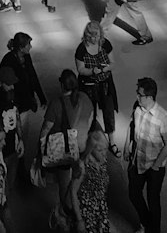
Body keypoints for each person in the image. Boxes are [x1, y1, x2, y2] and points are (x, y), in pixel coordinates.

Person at [39, 70, 94, 226]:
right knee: (76, 181)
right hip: (81, 148)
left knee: (64, 185)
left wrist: (41, 148)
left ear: (62, 85)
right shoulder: (85, 99)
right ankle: (75, 208)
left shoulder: (56, 104)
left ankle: (66, 214)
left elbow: (45, 129)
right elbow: (90, 122)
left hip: (64, 150)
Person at [123, 76, 167, 233]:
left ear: (150, 97)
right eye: (137, 93)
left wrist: (157, 165)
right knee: (134, 194)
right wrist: (126, 146)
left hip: (154, 166)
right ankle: (146, 222)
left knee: (153, 201)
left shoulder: (162, 117)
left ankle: (154, 230)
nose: (137, 97)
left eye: (140, 94)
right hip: (137, 160)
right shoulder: (137, 109)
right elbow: (131, 127)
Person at [75, 21, 119, 151]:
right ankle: (89, 141)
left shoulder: (106, 44)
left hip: (105, 84)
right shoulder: (81, 49)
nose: (94, 39)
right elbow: (80, 69)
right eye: (91, 37)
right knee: (89, 113)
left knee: (109, 111)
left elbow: (113, 63)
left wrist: (106, 69)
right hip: (88, 85)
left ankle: (111, 141)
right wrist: (92, 71)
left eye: (97, 36)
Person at [69, 127, 111, 233]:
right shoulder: (82, 167)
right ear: (91, 149)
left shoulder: (103, 162)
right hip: (86, 212)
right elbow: (73, 192)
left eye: (105, 149)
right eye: (100, 150)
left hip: (100, 210)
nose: (104, 153)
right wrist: (79, 220)